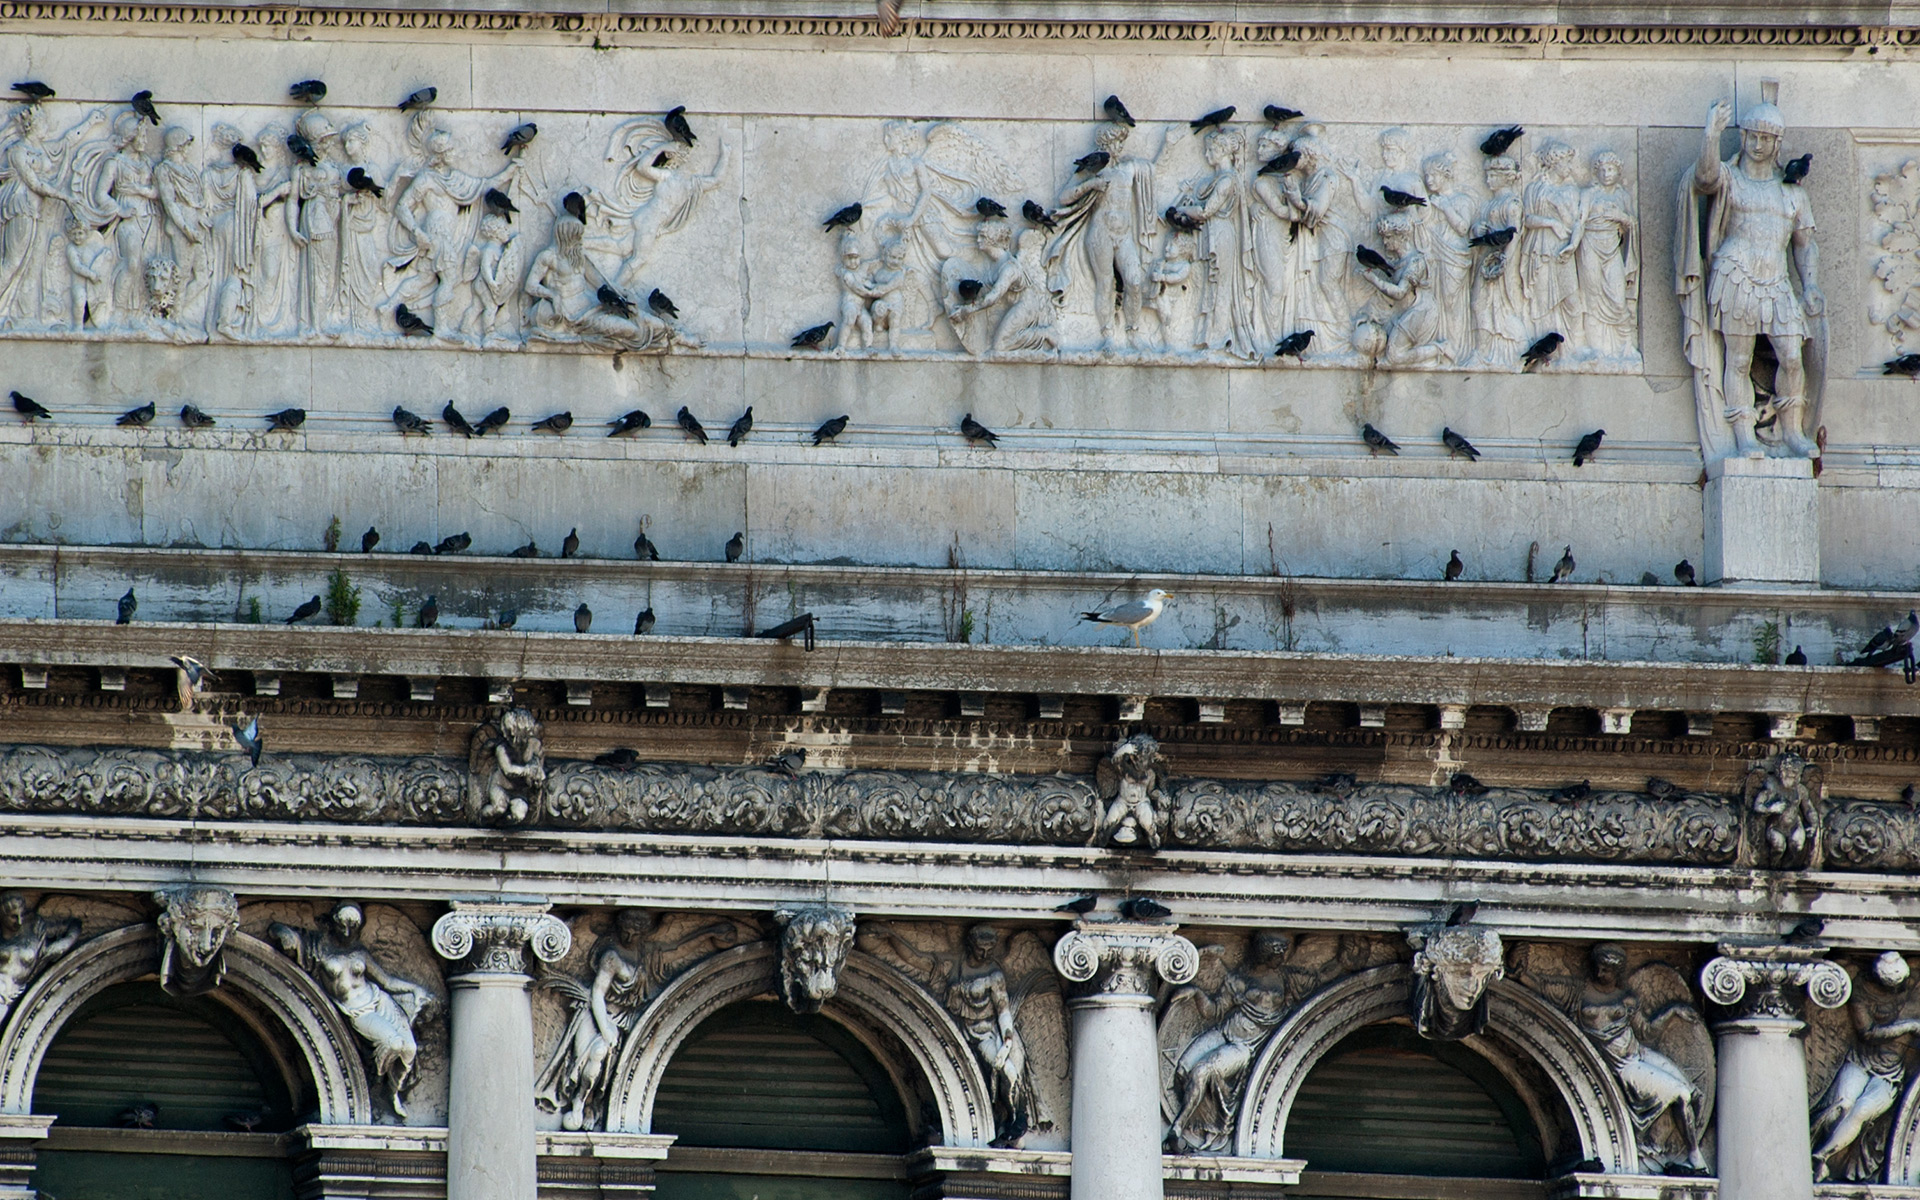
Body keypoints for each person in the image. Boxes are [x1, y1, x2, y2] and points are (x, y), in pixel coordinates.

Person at [1677, 93, 1823, 460]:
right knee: (1739, 360)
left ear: (1777, 143)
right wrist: (1711, 135)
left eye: (1766, 138)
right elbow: (1704, 178)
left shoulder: (1792, 192)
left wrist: (1810, 285)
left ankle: (1792, 430)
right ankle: (1743, 434)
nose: (1758, 145)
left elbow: (1804, 244)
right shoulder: (1731, 178)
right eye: (1752, 136)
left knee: (1792, 356)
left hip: (1777, 281)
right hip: (1736, 275)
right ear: (1743, 137)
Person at [271, 902, 433, 1117]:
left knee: (409, 1049)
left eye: (353, 927)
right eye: (342, 926)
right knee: (393, 1044)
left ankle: (393, 1091)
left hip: (381, 1002)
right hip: (358, 1012)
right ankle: (376, 1079)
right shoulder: (320, 949)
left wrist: (415, 989)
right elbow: (284, 933)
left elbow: (387, 981)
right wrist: (283, 933)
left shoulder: (360, 953)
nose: (347, 932)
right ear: (333, 924)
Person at [1578, 944, 1707, 1173]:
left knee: (1694, 1093)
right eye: (1599, 967)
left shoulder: (1626, 999)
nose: (1600, 973)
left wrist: (1673, 1010)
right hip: (1623, 1065)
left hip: (1639, 1054)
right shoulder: (1579, 994)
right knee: (1681, 1094)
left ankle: (1671, 1146)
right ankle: (1695, 1155)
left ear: (1617, 973)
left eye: (1606, 970)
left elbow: (1646, 1032)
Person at [1047, 121, 1160, 352]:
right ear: (1105, 144)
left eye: (1121, 142)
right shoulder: (1094, 170)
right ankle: (1108, 334)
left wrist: (1168, 143)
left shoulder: (1129, 168)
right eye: (1115, 142)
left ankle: (1133, 331)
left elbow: (1154, 169)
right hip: (1100, 234)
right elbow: (1064, 197)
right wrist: (1091, 185)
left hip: (1123, 235)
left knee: (1134, 281)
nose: (1119, 147)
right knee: (1106, 283)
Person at [1812, 952, 1920, 1182]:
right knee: (1841, 1105)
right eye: (1890, 985)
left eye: (1900, 984)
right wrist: (1908, 1027)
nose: (1896, 990)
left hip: (1890, 1076)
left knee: (1861, 1111)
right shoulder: (1860, 990)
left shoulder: (1912, 983)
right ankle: (1815, 1149)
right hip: (1861, 1062)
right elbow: (1868, 1033)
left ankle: (1820, 1158)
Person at [1578, 150, 1638, 359]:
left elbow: (1633, 224)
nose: (1606, 174)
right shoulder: (1589, 194)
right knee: (1592, 298)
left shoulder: (1623, 196)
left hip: (1612, 249)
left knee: (1618, 298)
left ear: (1618, 171)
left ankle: (1626, 346)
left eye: (1610, 169)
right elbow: (1579, 221)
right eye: (1602, 170)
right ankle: (1596, 348)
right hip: (1590, 245)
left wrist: (1620, 216)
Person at [0, 891, 81, 1023]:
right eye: (13, 917)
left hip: (27, 990)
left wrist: (66, 942)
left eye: (22, 915)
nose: (19, 921)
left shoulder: (34, 928)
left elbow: (74, 925)